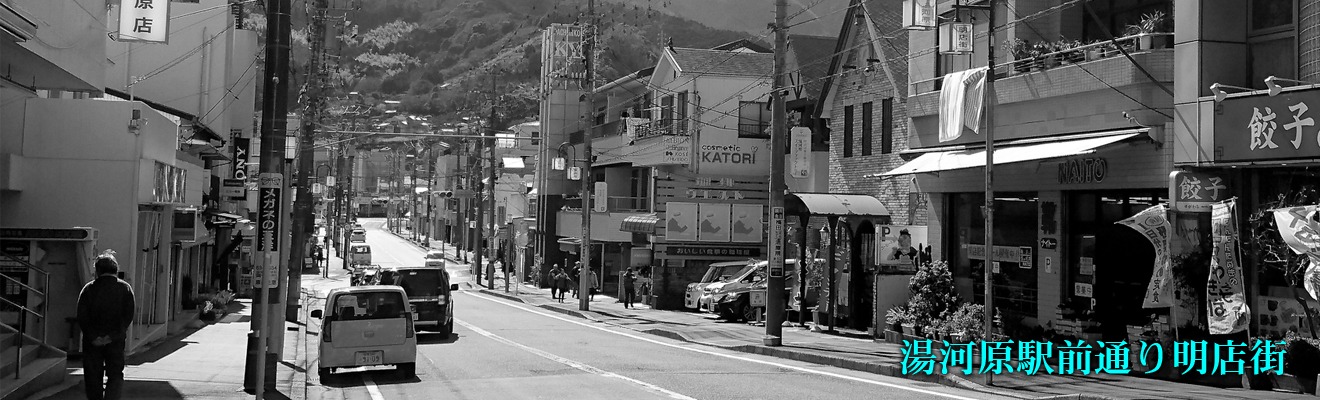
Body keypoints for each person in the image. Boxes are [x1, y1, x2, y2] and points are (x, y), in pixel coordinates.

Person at [77, 250, 136, 400]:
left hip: (92, 341)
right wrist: (113, 335)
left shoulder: (88, 289)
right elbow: (127, 316)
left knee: (92, 377)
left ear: (97, 270)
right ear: (116, 269)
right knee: (115, 374)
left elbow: (82, 316)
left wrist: (93, 336)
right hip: (115, 341)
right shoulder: (125, 289)